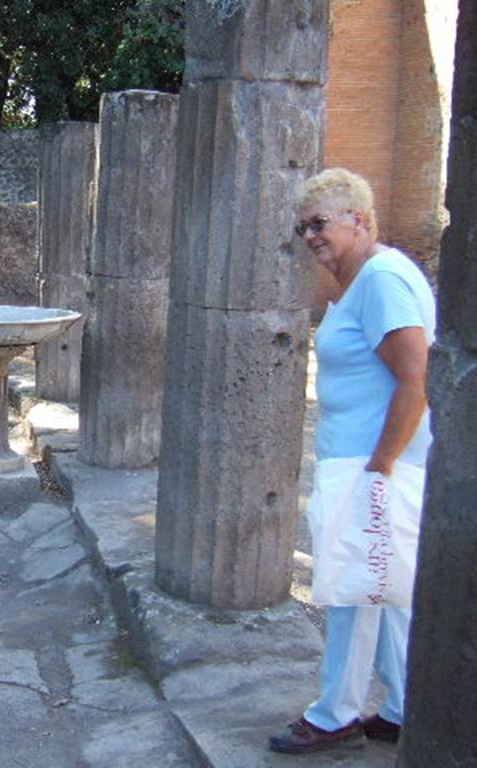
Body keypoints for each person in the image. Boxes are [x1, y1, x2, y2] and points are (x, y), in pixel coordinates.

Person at [269, 168, 436, 754]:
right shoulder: (365, 279)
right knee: (384, 590)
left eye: (320, 223)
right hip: (364, 464)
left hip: (376, 467)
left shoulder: (383, 280)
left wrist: (381, 466)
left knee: (352, 593)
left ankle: (336, 712)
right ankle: (406, 706)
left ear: (359, 220)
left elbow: (416, 378)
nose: (310, 236)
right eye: (302, 227)